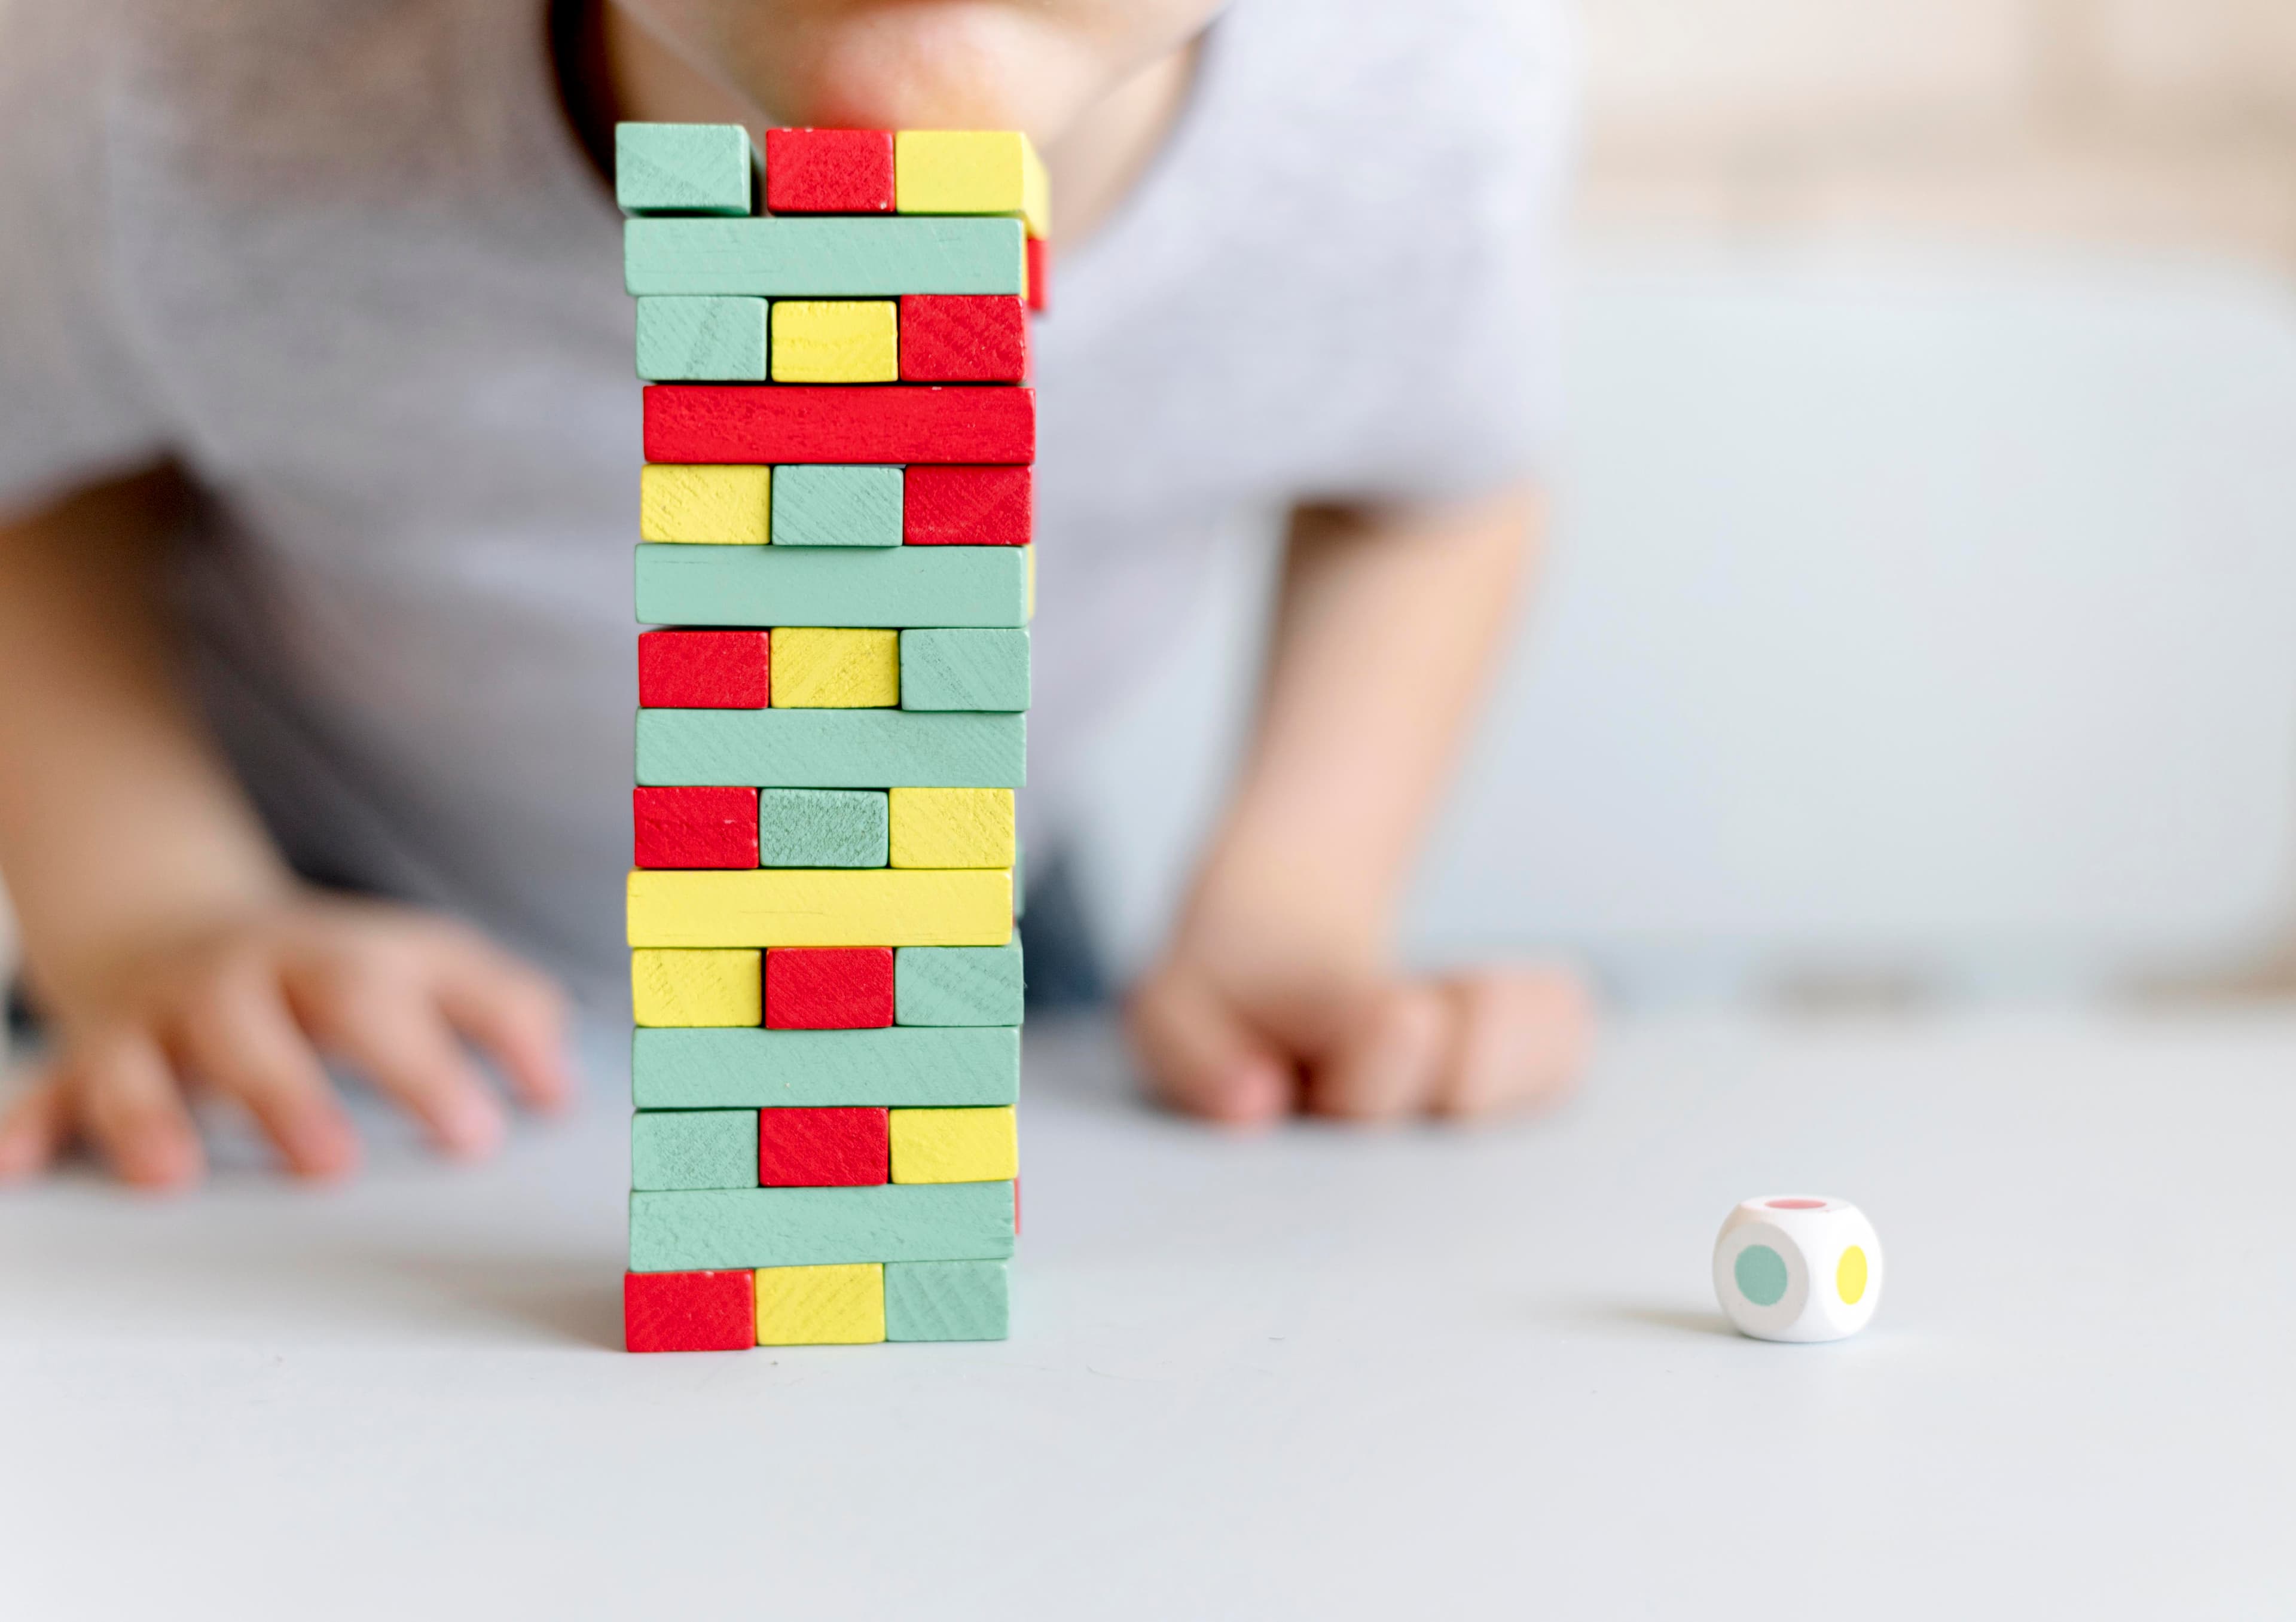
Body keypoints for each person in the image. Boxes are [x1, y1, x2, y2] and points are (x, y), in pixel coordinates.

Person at [0, 0, 1590, 1188]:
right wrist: (154, 906)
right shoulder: (184, 89)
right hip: (295, 940)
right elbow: (32, 482)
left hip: (982, 912)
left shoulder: (1413, 98)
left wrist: (1293, 897)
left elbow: (1440, 486)